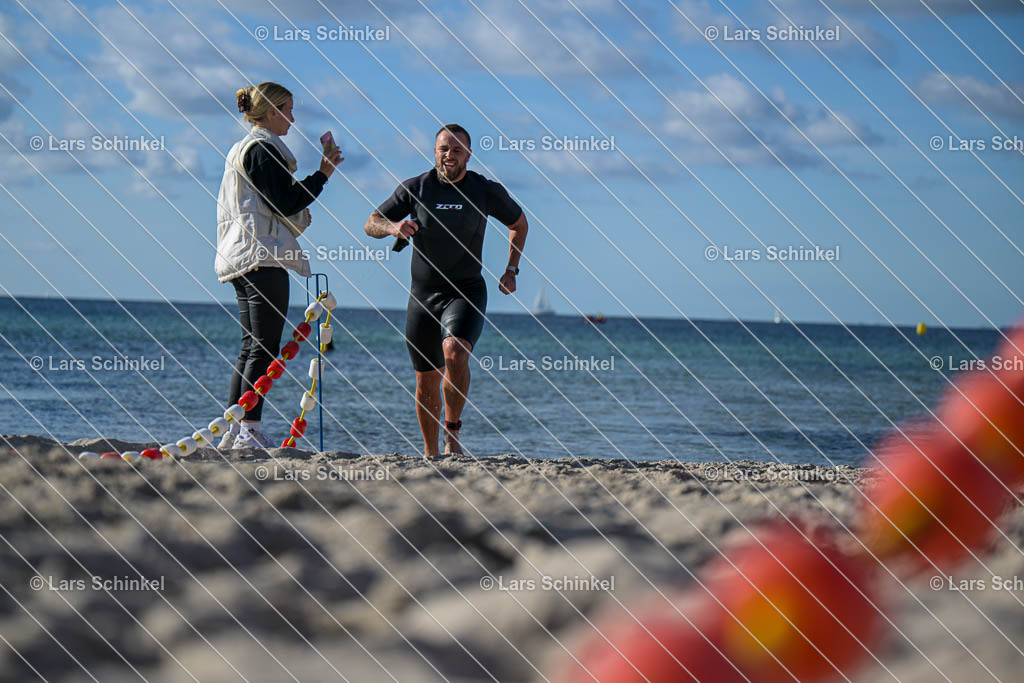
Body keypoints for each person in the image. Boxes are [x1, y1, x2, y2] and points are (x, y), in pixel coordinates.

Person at [364, 124, 528, 457]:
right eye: (443, 148)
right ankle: (431, 454)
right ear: (434, 151)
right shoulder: (417, 188)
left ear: (468, 154)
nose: (449, 155)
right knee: (426, 382)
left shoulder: (483, 190)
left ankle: (452, 431)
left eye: (456, 149)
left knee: (455, 353)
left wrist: (512, 269)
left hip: (465, 290)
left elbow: (519, 224)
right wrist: (393, 226)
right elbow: (371, 222)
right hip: (423, 296)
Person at [215, 82, 343, 448]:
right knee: (264, 348)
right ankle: (248, 431)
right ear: (271, 112)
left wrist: (297, 214)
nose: (292, 118)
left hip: (242, 254)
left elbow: (269, 203)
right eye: (288, 109)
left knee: (251, 346)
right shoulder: (262, 148)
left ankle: (235, 428)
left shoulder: (243, 149)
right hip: (261, 256)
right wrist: (323, 173)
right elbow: (284, 201)